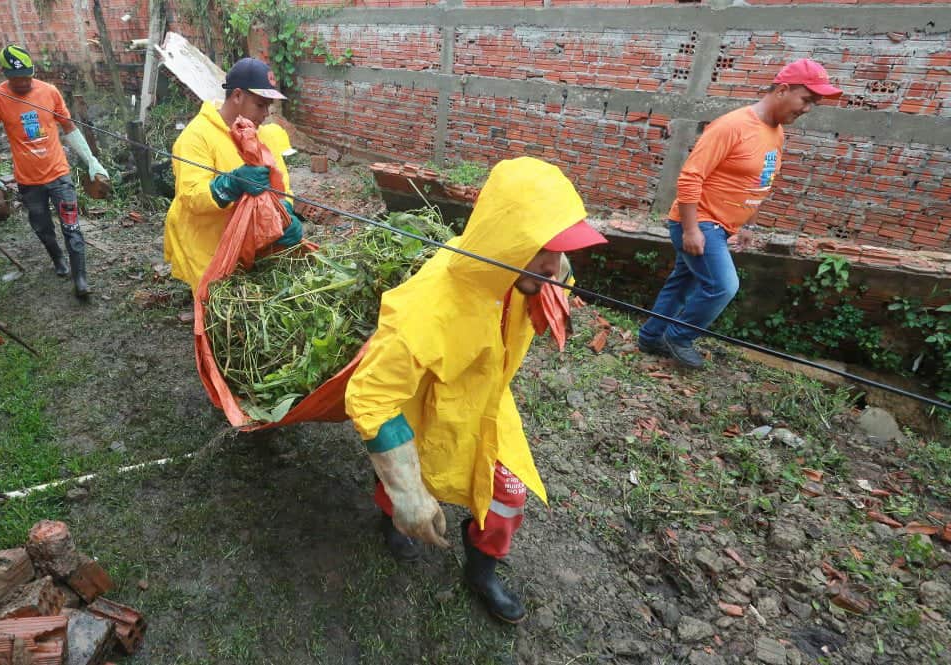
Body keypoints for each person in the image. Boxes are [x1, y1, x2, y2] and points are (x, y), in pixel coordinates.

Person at [345, 157, 608, 623]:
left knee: (508, 496)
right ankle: (391, 517)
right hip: (426, 408)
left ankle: (481, 571)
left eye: (562, 251)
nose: (557, 265)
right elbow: (371, 394)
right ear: (508, 243)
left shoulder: (538, 275)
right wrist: (406, 489)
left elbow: (556, 277)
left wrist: (553, 280)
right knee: (411, 482)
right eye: (545, 250)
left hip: (487, 404)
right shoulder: (427, 310)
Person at [638, 59, 843, 368]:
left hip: (720, 226)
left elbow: (760, 181)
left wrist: (749, 224)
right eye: (807, 99)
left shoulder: (776, 133)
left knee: (683, 283)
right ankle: (679, 336)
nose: (808, 109)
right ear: (783, 90)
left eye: (814, 103)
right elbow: (691, 176)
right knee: (722, 286)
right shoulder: (731, 126)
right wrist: (692, 230)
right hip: (701, 221)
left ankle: (651, 338)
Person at [0, 45, 110, 298]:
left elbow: (69, 127)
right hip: (28, 181)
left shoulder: (49, 92)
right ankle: (57, 258)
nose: (23, 83)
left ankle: (80, 278)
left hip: (59, 175)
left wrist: (92, 161)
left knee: (71, 226)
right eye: (16, 79)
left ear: (33, 70)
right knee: (42, 227)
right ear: (4, 74)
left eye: (27, 77)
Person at [163, 57, 303, 292]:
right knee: (215, 310)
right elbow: (191, 196)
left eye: (269, 106)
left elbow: (281, 185)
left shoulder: (263, 135)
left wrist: (285, 212)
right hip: (205, 243)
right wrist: (229, 185)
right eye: (260, 105)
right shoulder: (196, 137)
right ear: (237, 96)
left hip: (244, 241)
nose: (266, 113)